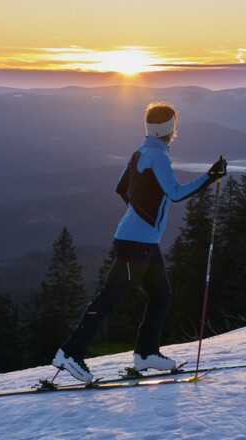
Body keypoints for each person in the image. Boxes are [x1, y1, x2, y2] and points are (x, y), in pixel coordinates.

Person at [52, 101, 227, 383]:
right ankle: (70, 353)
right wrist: (210, 176)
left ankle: (146, 354)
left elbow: (122, 188)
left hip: (139, 241)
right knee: (109, 299)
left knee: (161, 296)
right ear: (170, 130)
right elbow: (175, 193)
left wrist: (140, 214)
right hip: (137, 244)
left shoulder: (138, 153)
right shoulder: (158, 158)